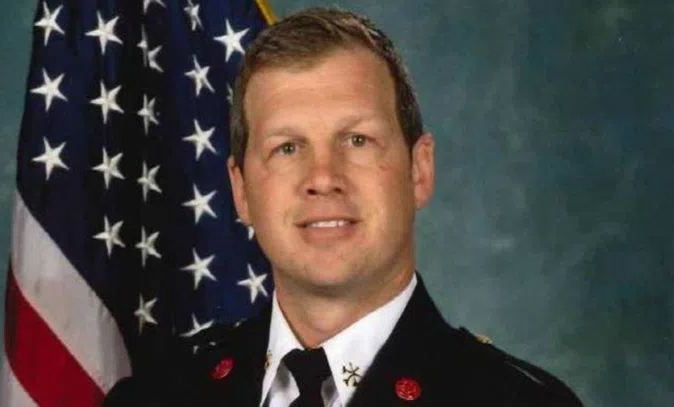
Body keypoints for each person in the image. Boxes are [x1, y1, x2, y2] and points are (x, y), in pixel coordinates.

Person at [105, 7, 582, 407]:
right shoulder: (155, 398)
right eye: (287, 148)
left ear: (419, 171)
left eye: (357, 140)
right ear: (242, 191)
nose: (323, 178)